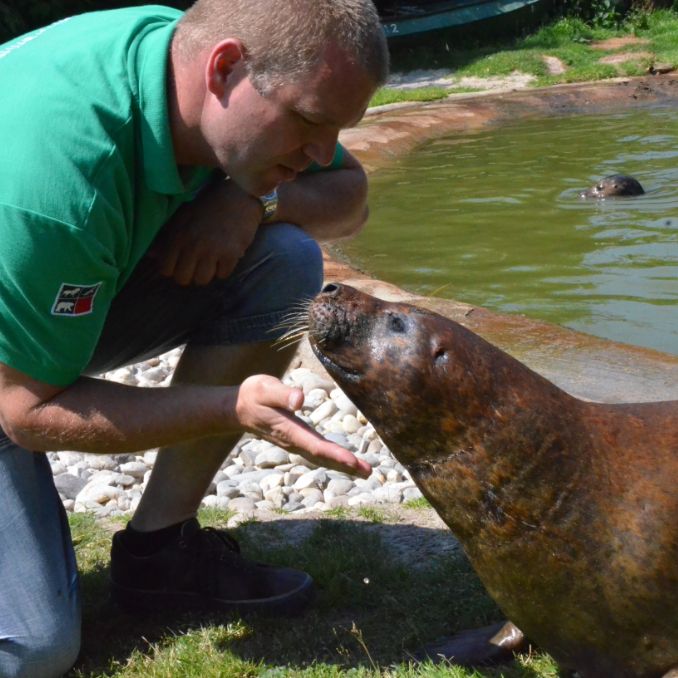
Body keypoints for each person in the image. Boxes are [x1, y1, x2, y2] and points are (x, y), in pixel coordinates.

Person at [0, 0, 389, 675]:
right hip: (19, 344)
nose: (322, 152)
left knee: (287, 258)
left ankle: (160, 558)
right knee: (32, 649)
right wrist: (230, 407)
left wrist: (251, 202)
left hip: (42, 288)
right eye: (310, 123)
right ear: (226, 68)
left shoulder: (206, 60)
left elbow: (351, 195)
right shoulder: (57, 180)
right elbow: (26, 412)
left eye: (337, 128)